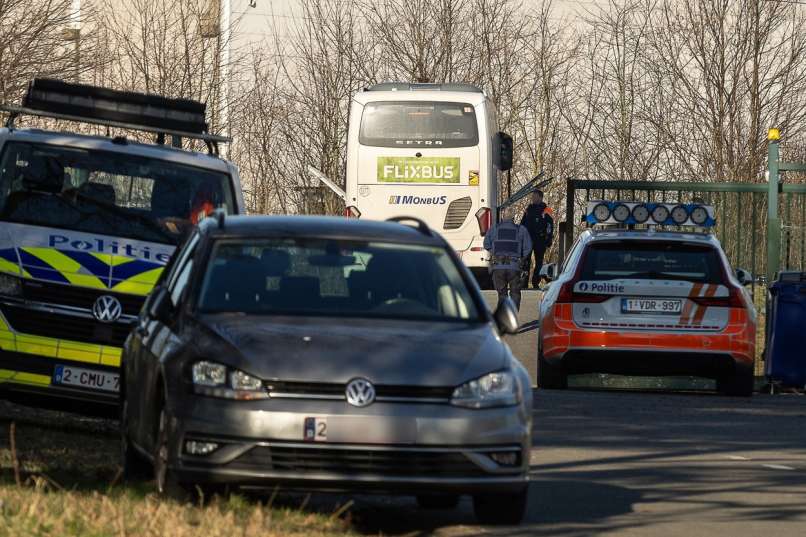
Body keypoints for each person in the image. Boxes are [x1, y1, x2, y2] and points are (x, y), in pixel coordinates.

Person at [483, 207, 532, 311]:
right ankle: (512, 318)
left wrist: (495, 253)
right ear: (513, 217)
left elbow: (486, 244)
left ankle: (503, 320)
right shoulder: (521, 230)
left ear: (502, 216)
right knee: (515, 293)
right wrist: (521, 258)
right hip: (515, 267)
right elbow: (528, 247)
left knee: (502, 295)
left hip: (498, 267)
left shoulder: (494, 228)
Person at [520, 188, 554, 288]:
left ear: (540, 197)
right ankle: (524, 283)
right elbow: (522, 224)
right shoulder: (528, 209)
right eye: (532, 197)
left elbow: (550, 225)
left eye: (535, 196)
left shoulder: (546, 209)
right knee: (525, 262)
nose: (532, 198)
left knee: (539, 262)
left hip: (540, 239)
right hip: (528, 239)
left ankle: (536, 282)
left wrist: (548, 238)